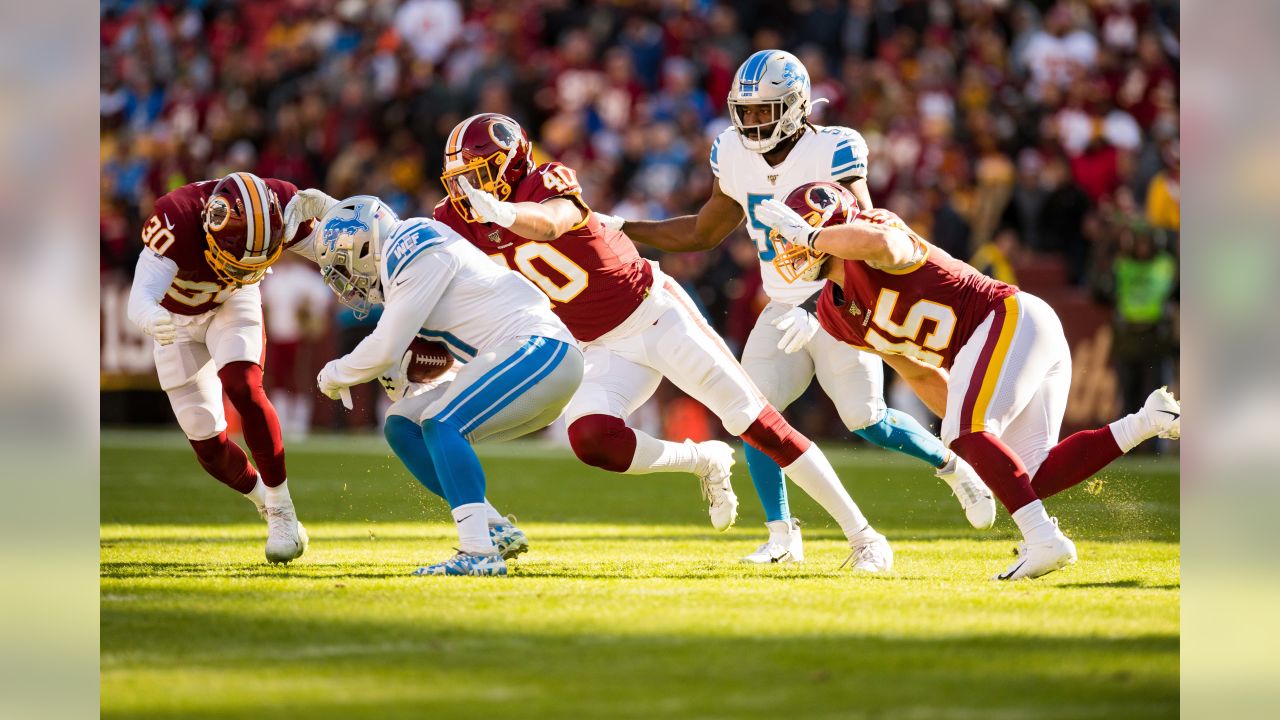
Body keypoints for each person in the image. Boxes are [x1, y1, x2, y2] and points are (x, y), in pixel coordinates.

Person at [435, 112, 894, 571]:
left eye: (478, 175)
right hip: (599, 345)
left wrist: (509, 213)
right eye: (459, 180)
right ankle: (702, 459)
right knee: (592, 439)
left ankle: (865, 538)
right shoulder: (457, 215)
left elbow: (552, 223)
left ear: (512, 164)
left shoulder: (548, 183)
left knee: (756, 422)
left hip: (655, 315)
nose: (467, 191)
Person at [600, 50, 994, 565]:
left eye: (763, 110)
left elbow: (867, 230)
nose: (751, 121)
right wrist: (623, 227)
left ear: (794, 106)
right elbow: (703, 231)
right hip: (781, 304)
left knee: (865, 417)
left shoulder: (835, 148)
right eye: (745, 110)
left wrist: (819, 303)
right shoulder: (732, 152)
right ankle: (782, 536)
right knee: (751, 415)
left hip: (839, 300)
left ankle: (954, 469)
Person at [755, 181, 1181, 580]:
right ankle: (1147, 420)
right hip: (1005, 339)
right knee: (1027, 475)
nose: (791, 247)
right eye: (789, 238)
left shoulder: (877, 230)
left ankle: (1044, 540)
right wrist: (976, 445)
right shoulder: (833, 313)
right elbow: (917, 373)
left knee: (965, 431)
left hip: (1009, 319)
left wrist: (813, 238)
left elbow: (883, 245)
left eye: (799, 233)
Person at [304, 195, 585, 577]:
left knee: (441, 422)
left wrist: (336, 373)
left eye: (343, 264)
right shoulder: (402, 269)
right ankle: (492, 528)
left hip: (540, 348)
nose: (346, 278)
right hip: (519, 357)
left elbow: (385, 347)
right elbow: (423, 364)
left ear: (365, 244)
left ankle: (477, 553)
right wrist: (402, 381)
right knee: (404, 424)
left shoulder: (413, 243)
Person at [126, 172, 317, 563]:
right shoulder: (176, 218)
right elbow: (140, 297)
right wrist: (149, 317)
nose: (248, 270)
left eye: (258, 262)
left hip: (231, 304)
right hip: (175, 322)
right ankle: (264, 500)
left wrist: (345, 227)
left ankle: (282, 509)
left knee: (243, 386)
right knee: (209, 447)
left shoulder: (274, 205)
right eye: (240, 262)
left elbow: (332, 245)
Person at [260, 252, 332, 440]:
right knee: (277, 379)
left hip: (299, 337)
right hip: (276, 336)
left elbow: (322, 299)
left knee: (300, 379)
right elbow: (265, 304)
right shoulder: (273, 276)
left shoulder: (305, 276)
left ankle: (299, 424)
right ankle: (281, 422)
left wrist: (310, 317)